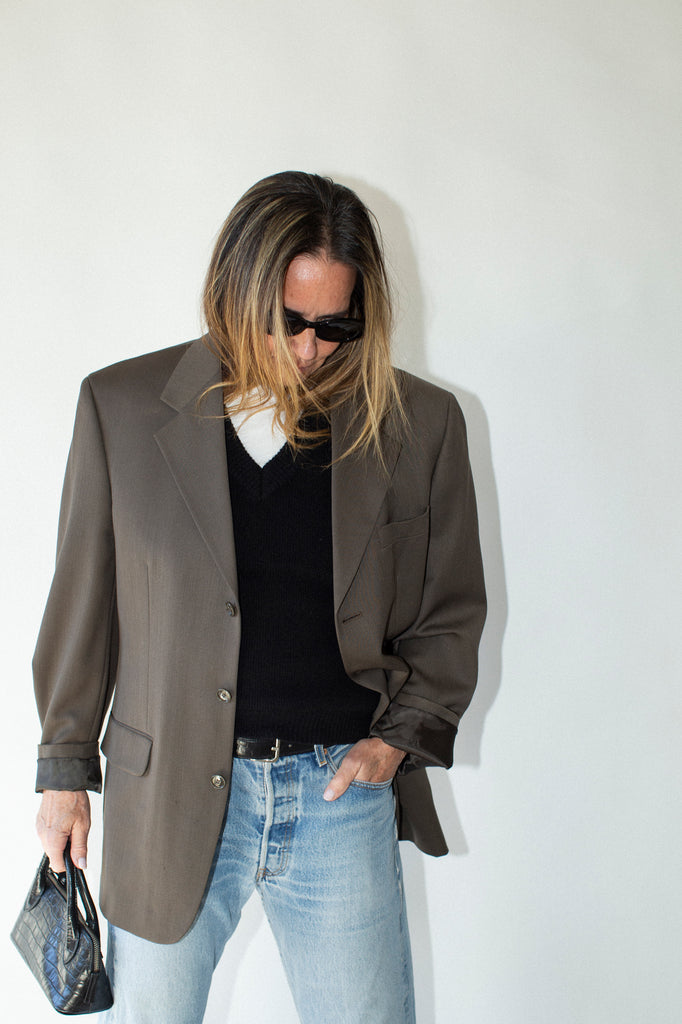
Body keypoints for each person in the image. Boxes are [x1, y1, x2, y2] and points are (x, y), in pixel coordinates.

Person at [33, 171, 486, 1023]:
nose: (311, 349)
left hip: (337, 799)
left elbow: (450, 609)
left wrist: (394, 744)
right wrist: (64, 774)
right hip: (170, 789)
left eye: (336, 325)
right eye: (290, 322)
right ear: (236, 291)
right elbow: (81, 610)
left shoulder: (418, 425)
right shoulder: (122, 409)